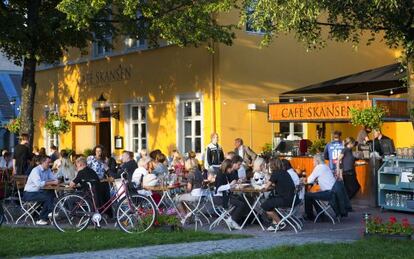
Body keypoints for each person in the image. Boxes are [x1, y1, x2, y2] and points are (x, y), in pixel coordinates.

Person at [261, 158, 296, 231]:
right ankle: (275, 223)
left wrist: (264, 187)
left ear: (272, 165)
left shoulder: (275, 173)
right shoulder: (285, 172)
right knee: (271, 201)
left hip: (285, 200)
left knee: (265, 205)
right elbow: (280, 183)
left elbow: (266, 187)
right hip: (292, 199)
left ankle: (280, 223)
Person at [213, 159, 249, 230]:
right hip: (220, 198)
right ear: (227, 167)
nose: (231, 170)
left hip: (225, 196)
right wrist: (230, 185)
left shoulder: (225, 174)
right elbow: (219, 188)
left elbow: (228, 185)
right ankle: (232, 219)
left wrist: (234, 184)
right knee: (240, 204)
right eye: (230, 168)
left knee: (243, 200)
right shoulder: (220, 175)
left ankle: (233, 219)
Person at [23, 156, 58, 225]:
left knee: (50, 193)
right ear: (42, 162)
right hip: (29, 194)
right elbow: (39, 184)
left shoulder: (48, 170)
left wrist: (54, 180)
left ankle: (45, 215)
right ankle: (45, 216)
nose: (50, 164)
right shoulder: (36, 170)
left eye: (50, 162)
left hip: (38, 192)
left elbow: (54, 178)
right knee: (48, 197)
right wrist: (51, 182)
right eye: (48, 162)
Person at [304, 154, 336, 221]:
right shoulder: (325, 166)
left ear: (317, 161)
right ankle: (321, 215)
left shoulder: (319, 167)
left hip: (329, 193)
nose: (313, 162)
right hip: (333, 191)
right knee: (313, 195)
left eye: (313, 161)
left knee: (307, 195)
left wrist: (303, 180)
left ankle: (310, 216)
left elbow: (309, 180)